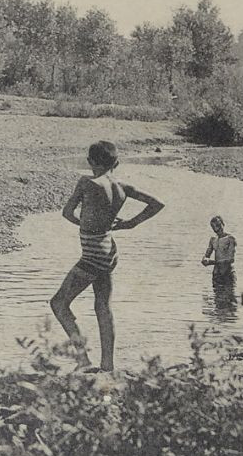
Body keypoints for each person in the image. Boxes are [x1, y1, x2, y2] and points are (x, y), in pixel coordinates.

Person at [49, 140, 164, 372]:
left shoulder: (86, 182)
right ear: (117, 163)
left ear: (90, 162)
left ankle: (82, 359)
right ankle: (107, 365)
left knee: (59, 304)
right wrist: (131, 224)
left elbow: (67, 213)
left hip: (92, 253)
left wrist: (83, 223)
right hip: (109, 250)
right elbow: (156, 204)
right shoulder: (122, 187)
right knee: (103, 306)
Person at [200, 215, 237, 285]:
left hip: (228, 273)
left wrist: (211, 262)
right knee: (216, 294)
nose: (217, 228)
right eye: (214, 226)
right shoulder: (213, 239)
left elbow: (231, 259)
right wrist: (204, 259)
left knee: (229, 294)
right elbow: (207, 255)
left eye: (218, 225)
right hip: (217, 274)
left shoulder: (230, 239)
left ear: (223, 224)